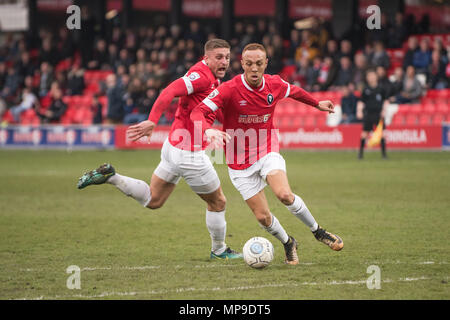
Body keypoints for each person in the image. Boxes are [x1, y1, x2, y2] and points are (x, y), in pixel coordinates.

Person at [77, 39, 242, 260]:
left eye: (227, 57)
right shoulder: (201, 76)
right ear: (207, 57)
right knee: (218, 202)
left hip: (173, 148)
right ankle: (219, 250)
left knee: (153, 200)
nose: (224, 62)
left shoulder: (214, 80)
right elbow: (169, 90)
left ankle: (111, 177)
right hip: (189, 153)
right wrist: (152, 120)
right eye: (219, 57)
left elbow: (215, 111)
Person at [190, 43, 344, 265]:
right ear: (242, 63)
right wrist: (209, 130)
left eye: (259, 64)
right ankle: (288, 242)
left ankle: (318, 231)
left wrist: (316, 103)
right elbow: (199, 112)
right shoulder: (229, 89)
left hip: (266, 149)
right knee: (263, 217)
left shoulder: (274, 84)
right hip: (237, 161)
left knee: (284, 195)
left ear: (266, 64)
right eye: (249, 64)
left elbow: (295, 91)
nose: (254, 68)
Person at [356, 69, 388, 159]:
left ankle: (384, 155)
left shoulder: (381, 89)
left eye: (373, 76)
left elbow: (385, 101)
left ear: (376, 77)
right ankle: (360, 154)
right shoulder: (366, 89)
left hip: (378, 114)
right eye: (369, 76)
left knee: (382, 134)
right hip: (368, 114)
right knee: (364, 134)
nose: (371, 78)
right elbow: (361, 101)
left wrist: (384, 111)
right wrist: (359, 111)